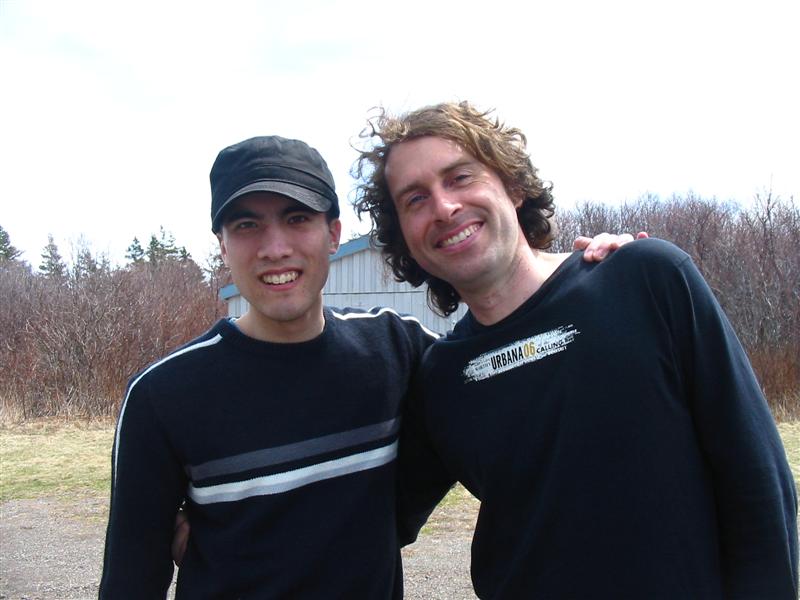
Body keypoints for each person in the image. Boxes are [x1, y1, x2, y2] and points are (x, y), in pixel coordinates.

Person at [100, 134, 633, 598]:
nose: (275, 247)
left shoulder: (396, 350)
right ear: (222, 244)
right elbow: (130, 581)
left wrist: (592, 280)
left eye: (297, 219)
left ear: (333, 234)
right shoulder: (162, 396)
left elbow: (516, 369)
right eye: (246, 225)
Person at [354, 101, 798, 599]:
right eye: (415, 199)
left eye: (459, 178)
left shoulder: (645, 279)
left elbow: (757, 480)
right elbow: (365, 526)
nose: (443, 207)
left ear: (513, 186)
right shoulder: (442, 375)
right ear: (403, 235)